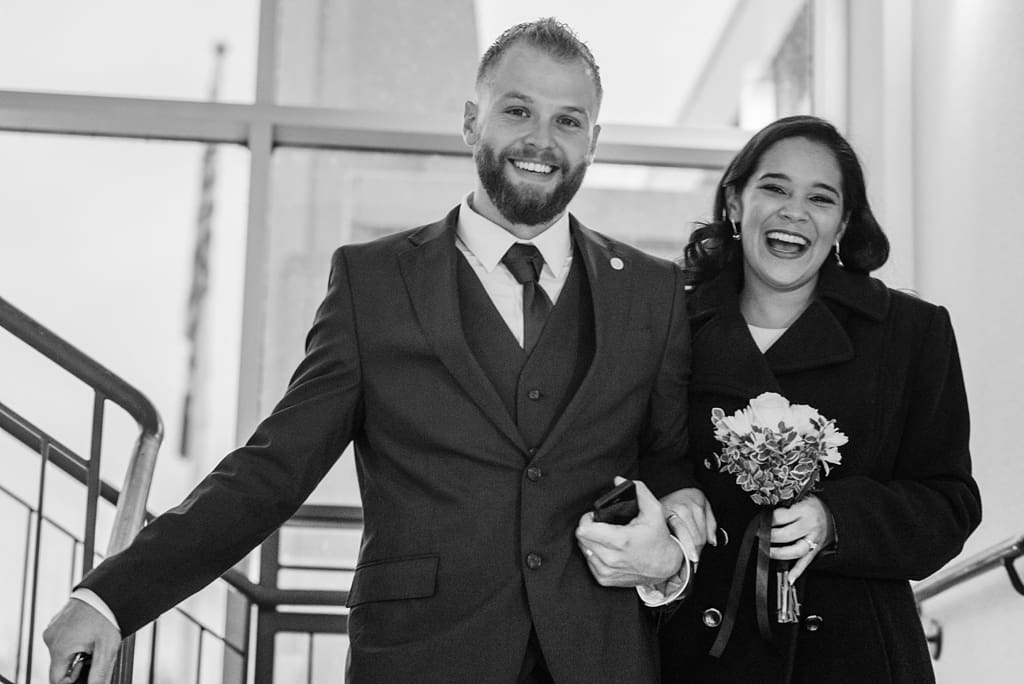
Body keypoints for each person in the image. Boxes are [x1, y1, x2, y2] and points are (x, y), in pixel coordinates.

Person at [43, 18, 698, 684]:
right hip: (421, 659)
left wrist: (671, 555)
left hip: (602, 658)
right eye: (518, 110)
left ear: (595, 140)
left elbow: (673, 460)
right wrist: (109, 598)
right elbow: (272, 472)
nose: (541, 139)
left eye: (568, 120)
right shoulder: (374, 283)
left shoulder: (653, 291)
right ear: (472, 122)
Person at [655, 115, 982, 683]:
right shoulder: (665, 322)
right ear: (735, 202)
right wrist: (669, 489)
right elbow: (627, 453)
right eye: (774, 188)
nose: (794, 212)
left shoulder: (911, 333)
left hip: (855, 656)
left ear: (843, 223)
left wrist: (837, 520)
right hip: (693, 651)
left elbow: (950, 503)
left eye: (821, 198)